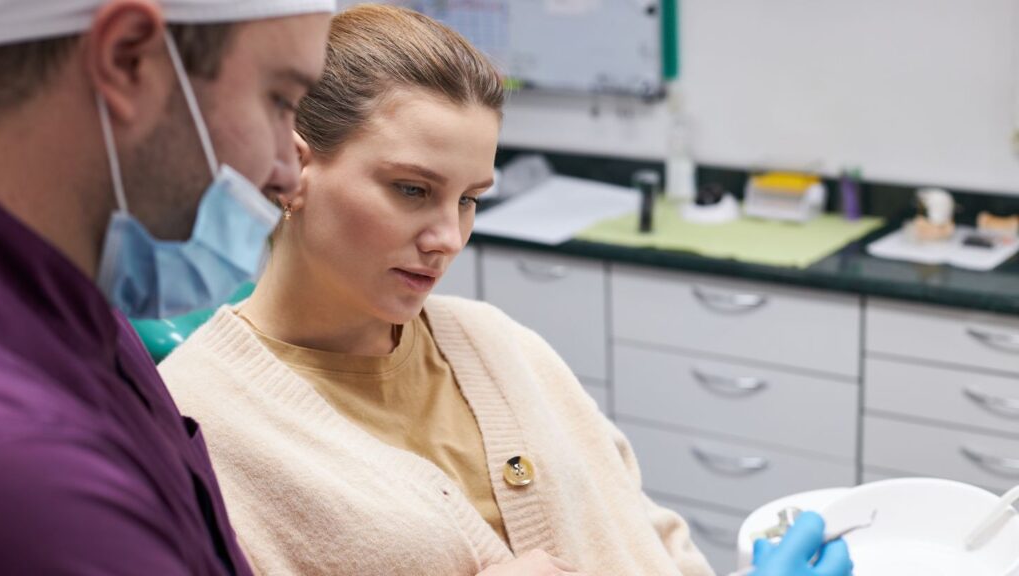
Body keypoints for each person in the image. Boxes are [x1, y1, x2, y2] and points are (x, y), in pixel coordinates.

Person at [160, 6, 852, 576]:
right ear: (295, 167)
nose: (448, 237)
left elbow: (646, 534)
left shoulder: (496, 344)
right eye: (412, 190)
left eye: (469, 200)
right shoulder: (197, 421)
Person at [0, 0, 333, 573]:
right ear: (128, 58)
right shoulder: (31, 466)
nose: (288, 168)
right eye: (279, 101)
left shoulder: (89, 312)